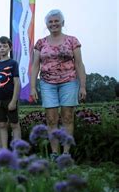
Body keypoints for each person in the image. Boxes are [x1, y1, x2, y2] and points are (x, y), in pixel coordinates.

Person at [30, 9, 86, 158]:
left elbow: (79, 64)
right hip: (47, 83)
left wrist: (83, 86)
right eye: (50, 22)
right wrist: (33, 87)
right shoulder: (40, 43)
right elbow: (35, 65)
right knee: (51, 118)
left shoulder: (72, 41)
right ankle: (54, 153)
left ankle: (66, 152)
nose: (53, 24)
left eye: (56, 21)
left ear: (62, 23)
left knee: (67, 117)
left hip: (69, 82)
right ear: (47, 24)